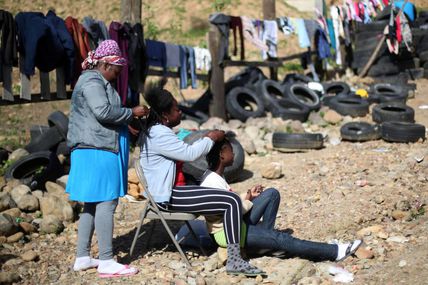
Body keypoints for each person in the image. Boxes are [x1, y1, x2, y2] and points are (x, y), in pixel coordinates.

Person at [139, 81, 265, 276]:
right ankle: (235, 260)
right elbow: (189, 154)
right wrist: (211, 138)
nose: (180, 113)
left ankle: (235, 256)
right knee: (230, 200)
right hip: (168, 196)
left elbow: (179, 148)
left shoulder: (157, 131)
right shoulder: (159, 134)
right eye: (176, 109)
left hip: (171, 192)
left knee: (228, 200)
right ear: (165, 115)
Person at [200, 138, 362, 262]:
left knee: (271, 194)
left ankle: (265, 243)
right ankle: (335, 252)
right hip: (228, 232)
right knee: (281, 239)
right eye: (230, 150)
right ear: (222, 154)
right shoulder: (212, 182)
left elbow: (230, 205)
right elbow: (229, 214)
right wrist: (247, 201)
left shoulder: (216, 177)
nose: (234, 154)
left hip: (234, 222)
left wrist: (246, 196)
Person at [66, 39, 149, 278]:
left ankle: (83, 257)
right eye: (116, 70)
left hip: (96, 147)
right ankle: (106, 260)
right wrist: (131, 112)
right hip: (97, 149)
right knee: (107, 201)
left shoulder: (99, 80)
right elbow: (102, 112)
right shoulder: (92, 80)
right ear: (104, 64)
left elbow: (107, 113)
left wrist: (126, 123)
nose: (118, 74)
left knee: (92, 203)